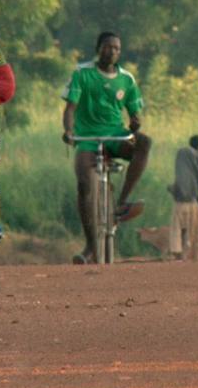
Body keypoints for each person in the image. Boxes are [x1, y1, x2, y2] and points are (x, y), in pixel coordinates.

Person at [61, 32, 151, 264]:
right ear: (98, 48)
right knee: (84, 185)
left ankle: (122, 202)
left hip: (115, 135)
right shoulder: (82, 73)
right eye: (108, 47)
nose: (112, 51)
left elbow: (134, 114)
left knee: (145, 142)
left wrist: (135, 123)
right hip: (87, 137)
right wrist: (69, 131)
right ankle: (91, 245)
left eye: (117, 48)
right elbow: (70, 108)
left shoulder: (127, 80)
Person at [168, 139, 198, 262]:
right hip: (193, 203)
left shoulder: (180, 157)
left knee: (177, 229)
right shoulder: (196, 156)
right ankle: (192, 255)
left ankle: (177, 253)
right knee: (193, 230)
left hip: (179, 203)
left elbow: (173, 188)